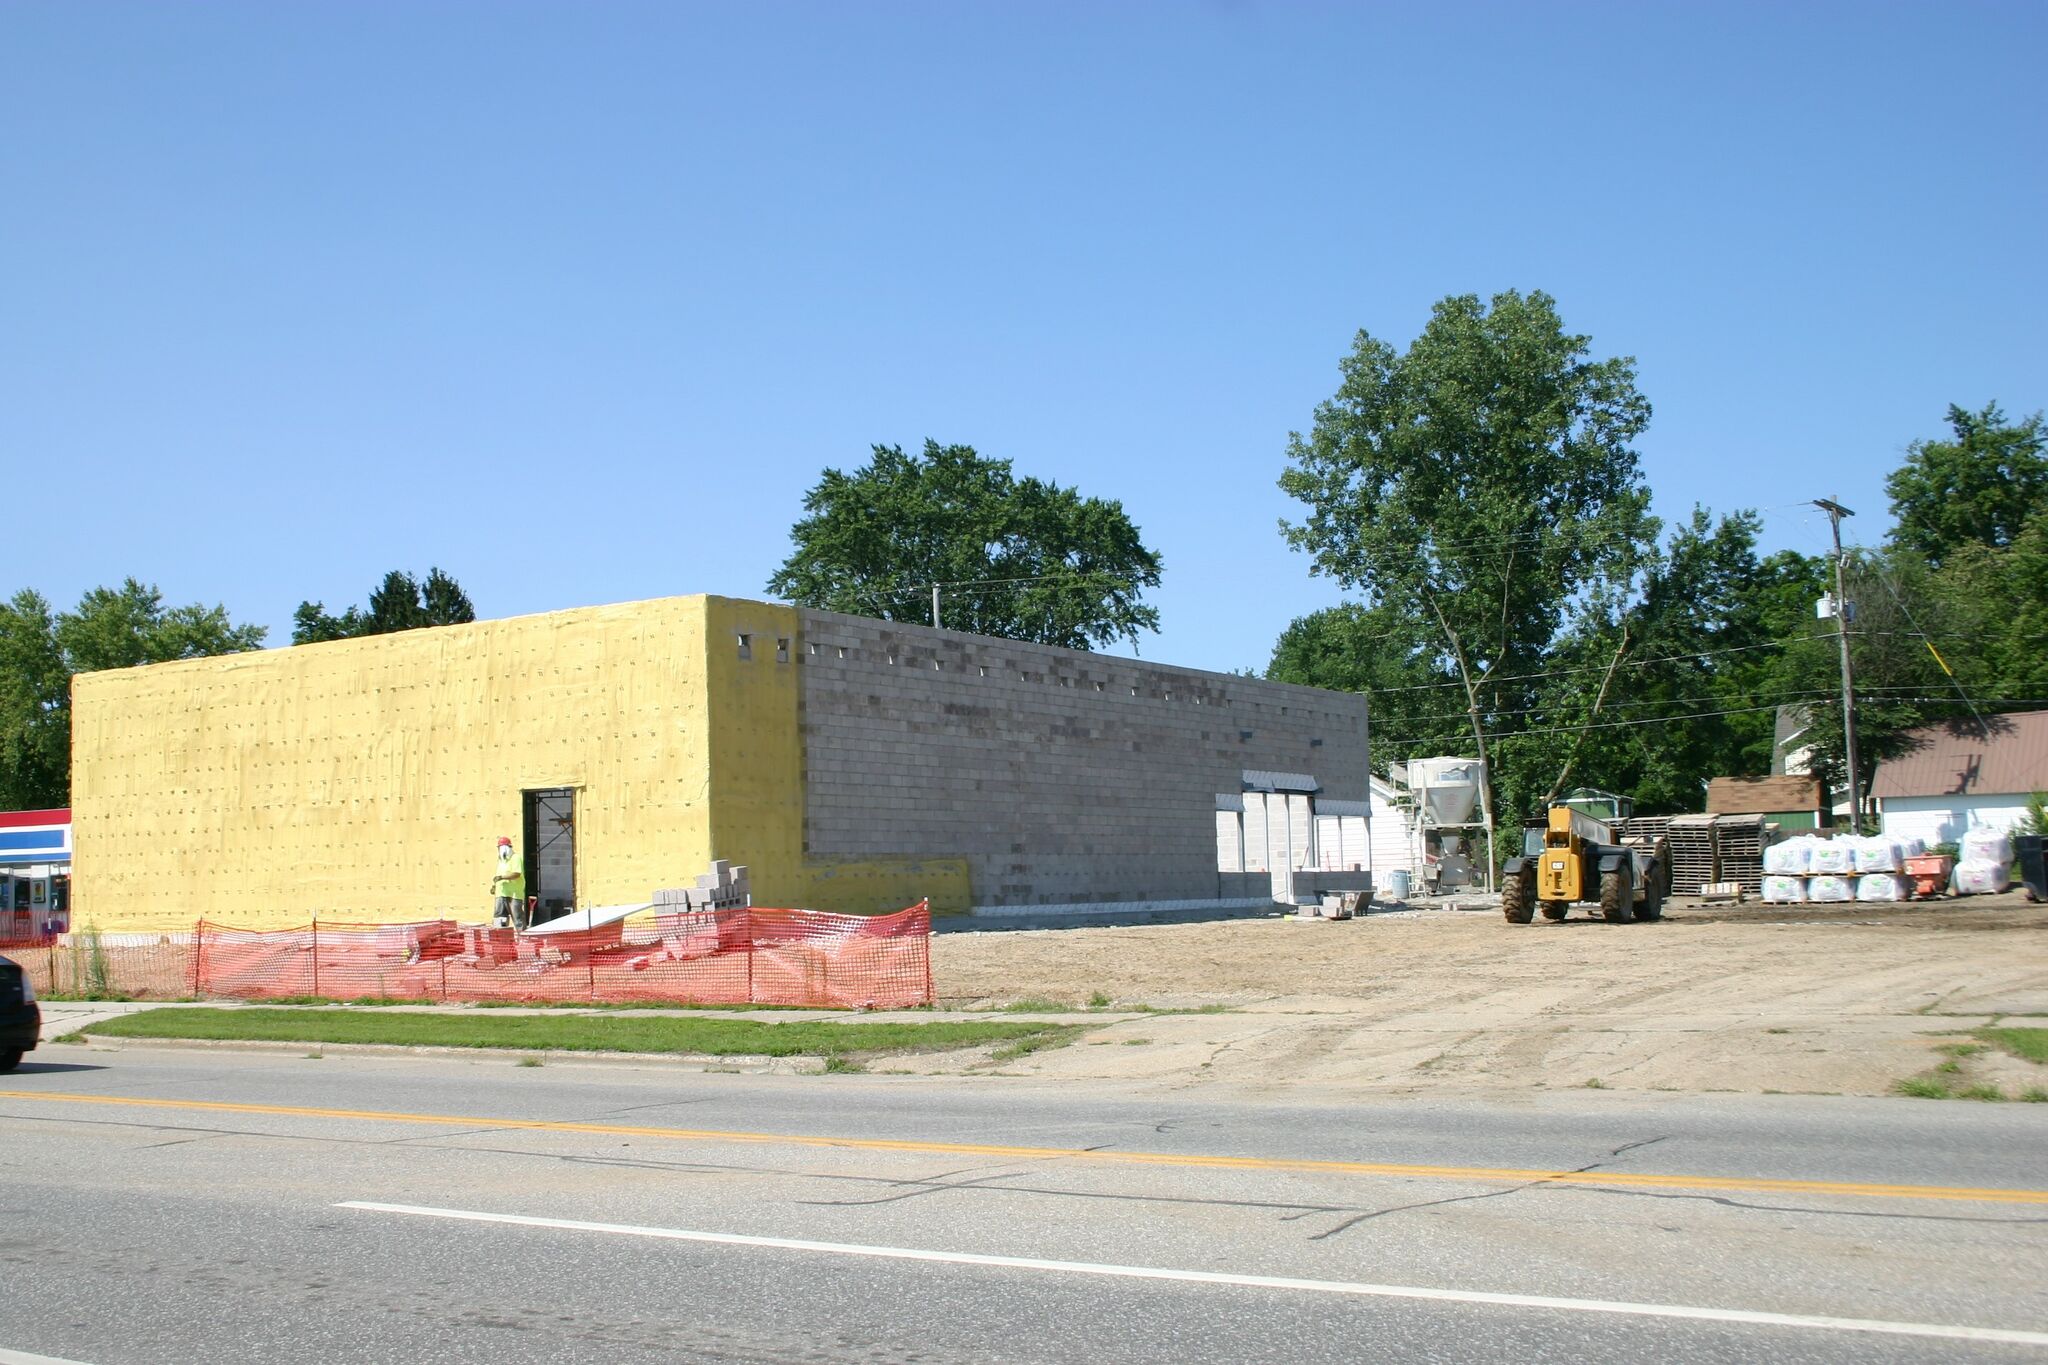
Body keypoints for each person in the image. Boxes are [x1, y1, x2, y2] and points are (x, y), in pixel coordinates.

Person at [490, 837, 527, 930]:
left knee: (517, 918)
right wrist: (495, 886)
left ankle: (522, 936)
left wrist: (501, 877)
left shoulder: (515, 858)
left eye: (499, 847)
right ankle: (500, 937)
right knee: (499, 919)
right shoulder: (501, 861)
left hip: (514, 894)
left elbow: (516, 874)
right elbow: (498, 875)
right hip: (501, 893)